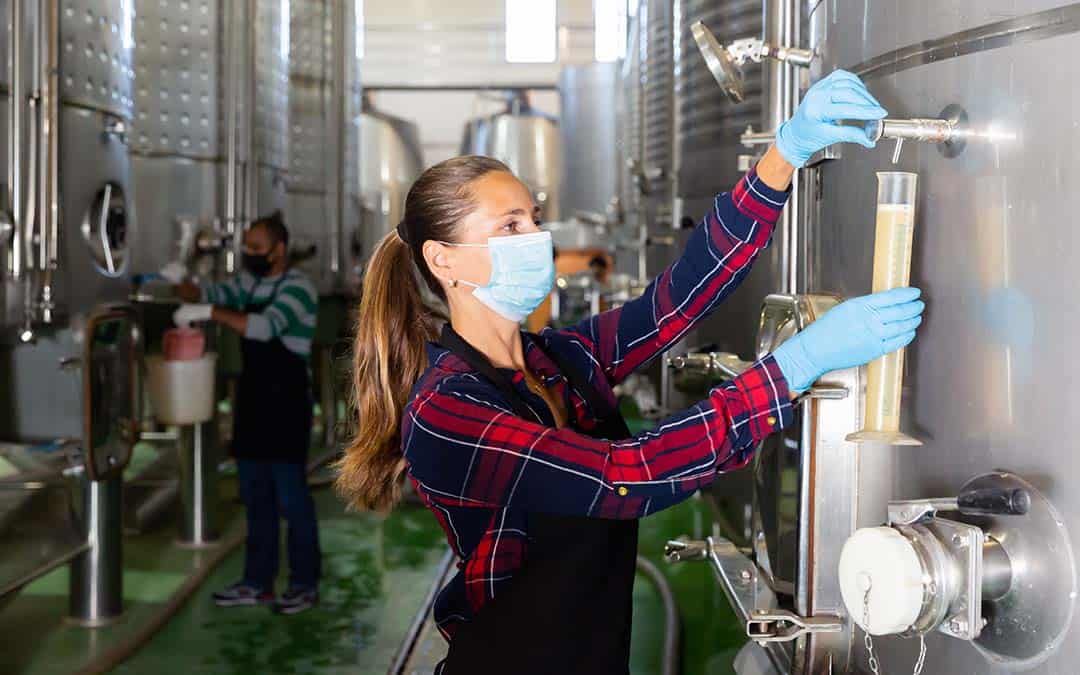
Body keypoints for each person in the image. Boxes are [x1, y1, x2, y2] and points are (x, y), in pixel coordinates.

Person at [337, 71, 924, 673]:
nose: (537, 238)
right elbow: (624, 478)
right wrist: (792, 367)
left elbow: (673, 302)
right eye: (510, 226)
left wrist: (784, 154)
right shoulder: (446, 414)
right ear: (444, 260)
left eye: (535, 218)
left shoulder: (556, 360)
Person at [173, 210, 322, 615]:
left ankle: (304, 584)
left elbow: (263, 327)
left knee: (292, 499)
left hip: (287, 405)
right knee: (255, 497)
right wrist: (182, 285)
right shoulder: (249, 281)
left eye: (256, 248)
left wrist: (209, 314)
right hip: (253, 403)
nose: (249, 255)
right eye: (247, 248)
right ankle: (257, 583)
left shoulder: (298, 289)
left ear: (279, 249)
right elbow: (214, 295)